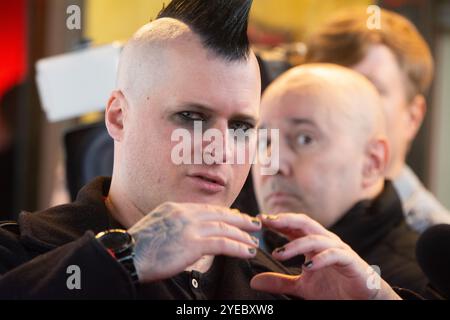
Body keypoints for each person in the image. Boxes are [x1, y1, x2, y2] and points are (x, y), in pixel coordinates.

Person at [0, 0, 400, 300]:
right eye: (191, 117)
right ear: (119, 117)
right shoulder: (21, 257)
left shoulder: (280, 286)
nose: (220, 149)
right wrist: (121, 261)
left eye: (242, 127)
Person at [252, 63, 430, 297]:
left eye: (305, 139)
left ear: (372, 162)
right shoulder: (238, 261)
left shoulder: (423, 283)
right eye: (264, 141)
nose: (272, 164)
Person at [302, 8, 450, 233]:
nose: (343, 105)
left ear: (413, 116)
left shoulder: (434, 248)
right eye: (328, 89)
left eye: (369, 89)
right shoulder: (273, 216)